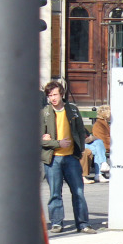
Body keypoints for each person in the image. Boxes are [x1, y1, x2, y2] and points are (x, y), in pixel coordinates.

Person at [40, 80, 96, 233]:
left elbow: (80, 131)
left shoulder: (72, 110)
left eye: (55, 94)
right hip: (53, 159)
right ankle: (57, 223)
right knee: (55, 193)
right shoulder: (45, 113)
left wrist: (80, 151)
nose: (53, 98)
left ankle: (83, 223)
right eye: (50, 95)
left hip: (71, 157)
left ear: (62, 94)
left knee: (78, 191)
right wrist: (56, 143)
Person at [81, 104, 111, 182]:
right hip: (81, 145)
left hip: (96, 146)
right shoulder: (99, 124)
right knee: (99, 144)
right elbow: (104, 138)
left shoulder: (104, 124)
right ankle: (100, 170)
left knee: (98, 144)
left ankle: (99, 174)